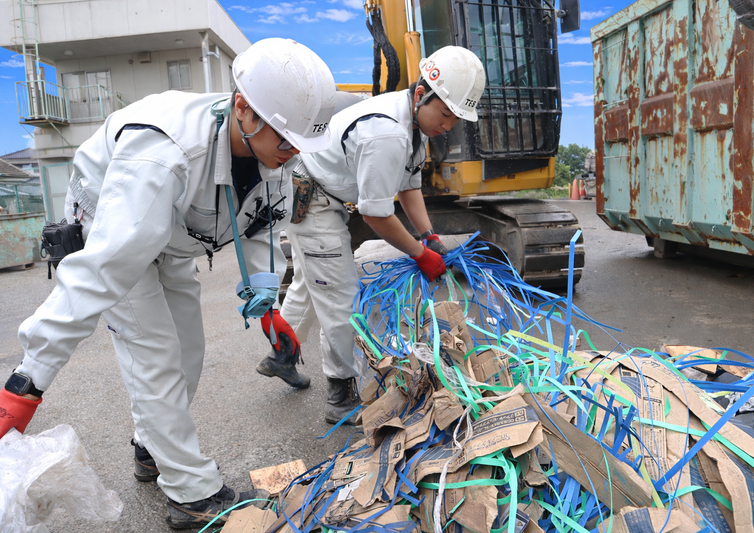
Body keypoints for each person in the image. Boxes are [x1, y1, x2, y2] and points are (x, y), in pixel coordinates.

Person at [0, 38, 336, 529]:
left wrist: (267, 304)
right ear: (244, 108)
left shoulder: (276, 157)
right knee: (154, 358)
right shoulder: (165, 154)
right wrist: (28, 380)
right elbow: (102, 269)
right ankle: (193, 494)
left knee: (188, 352)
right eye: (286, 140)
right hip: (116, 222)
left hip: (175, 237)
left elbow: (261, 227)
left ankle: (150, 447)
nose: (293, 152)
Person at [258, 45, 486, 425]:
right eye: (445, 113)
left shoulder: (416, 127)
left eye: (456, 118)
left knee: (311, 284)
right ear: (420, 94)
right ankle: (339, 395)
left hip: (320, 190)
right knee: (340, 297)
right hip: (314, 200)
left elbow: (409, 187)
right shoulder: (388, 133)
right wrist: (419, 254)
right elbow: (376, 214)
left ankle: (281, 356)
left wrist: (429, 236)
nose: (448, 125)